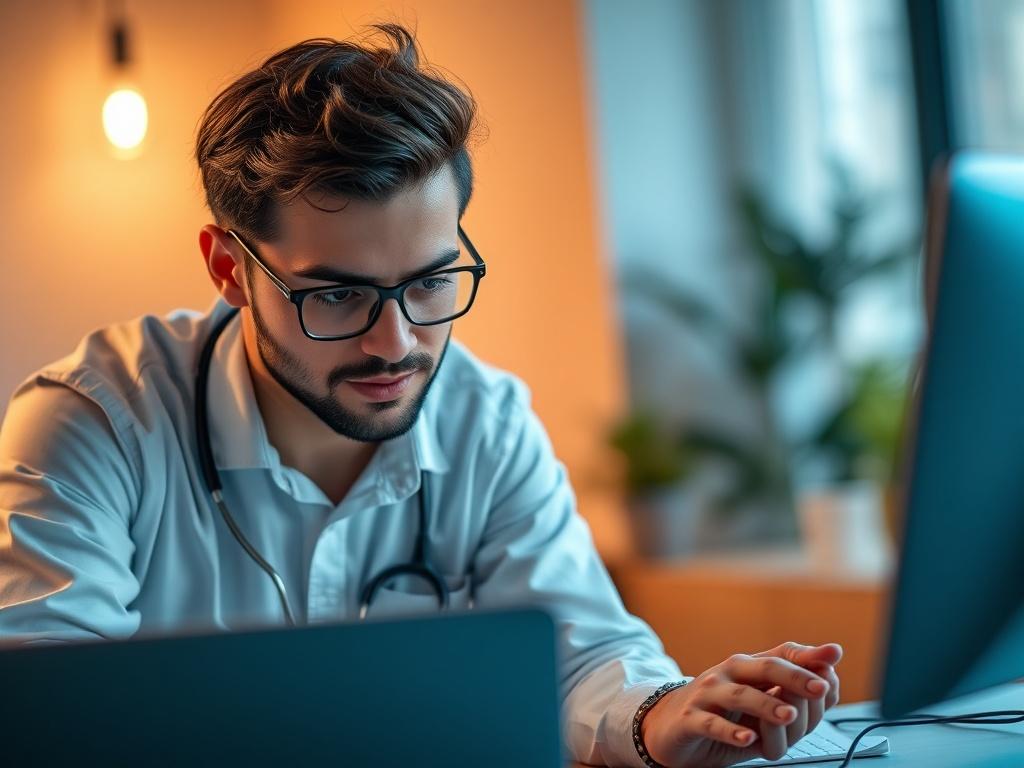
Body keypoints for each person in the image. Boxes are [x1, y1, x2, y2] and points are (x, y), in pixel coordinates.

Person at [0, 24, 842, 768]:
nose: (395, 343)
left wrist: (666, 717)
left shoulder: (487, 419)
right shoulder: (90, 426)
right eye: (335, 295)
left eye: (432, 282)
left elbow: (581, 656)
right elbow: (45, 717)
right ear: (229, 269)